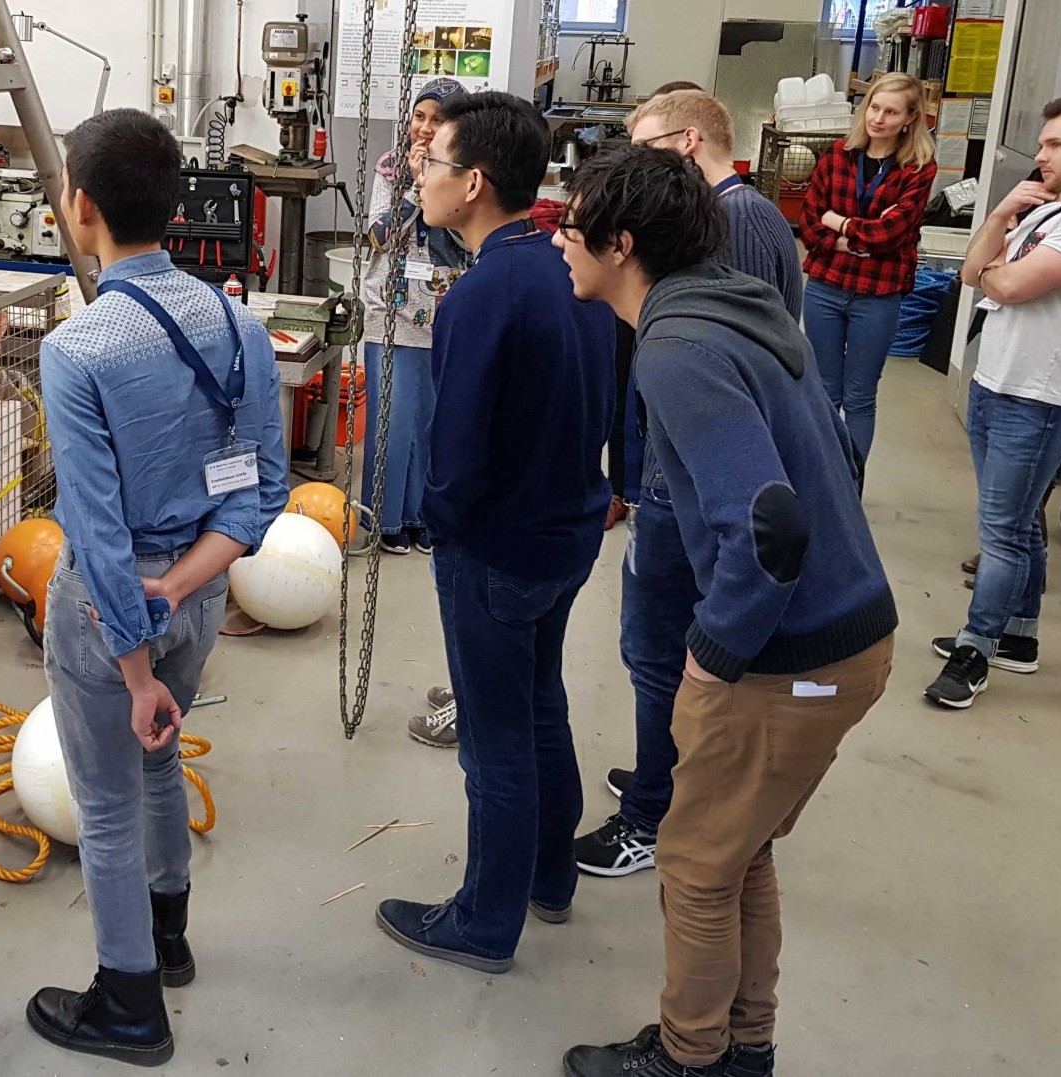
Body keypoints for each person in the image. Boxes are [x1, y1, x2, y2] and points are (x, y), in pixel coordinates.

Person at [552, 144, 897, 1077]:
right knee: (738, 856)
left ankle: (688, 1057)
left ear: (620, 245)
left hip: (789, 654)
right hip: (846, 630)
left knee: (695, 868)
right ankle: (742, 1047)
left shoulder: (679, 346)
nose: (559, 239)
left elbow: (770, 529)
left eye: (571, 224)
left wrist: (712, 655)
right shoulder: (732, 305)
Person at [25, 108, 288, 1067]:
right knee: (162, 763)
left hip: (114, 619)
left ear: (80, 205)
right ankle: (168, 936)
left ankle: (129, 1003)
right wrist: (180, 590)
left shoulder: (79, 348)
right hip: (200, 597)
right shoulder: (232, 318)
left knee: (103, 803)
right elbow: (264, 493)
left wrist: (133, 666)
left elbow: (95, 536)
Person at [373, 90, 616, 974]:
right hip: (568, 529)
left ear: (472, 182)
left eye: (430, 162)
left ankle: (484, 919)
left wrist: (438, 524)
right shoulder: (572, 262)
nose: (419, 176)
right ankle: (549, 875)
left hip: (498, 547)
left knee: (492, 737)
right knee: (540, 702)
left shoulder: (481, 293)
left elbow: (458, 447)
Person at [573, 88, 809, 880]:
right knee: (656, 654)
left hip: (691, 496)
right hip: (685, 481)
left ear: (682, 146)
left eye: (642, 151)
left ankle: (651, 812)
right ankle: (657, 775)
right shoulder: (752, 215)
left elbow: (716, 385)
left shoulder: (728, 228)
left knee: (659, 653)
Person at [925, 90, 1061, 709]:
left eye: (1054, 144)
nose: (1041, 156)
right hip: (998, 383)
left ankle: (977, 648)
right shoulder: (1054, 211)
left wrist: (998, 266)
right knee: (1019, 524)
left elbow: (1011, 283)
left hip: (1041, 398)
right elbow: (972, 273)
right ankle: (1019, 637)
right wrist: (998, 219)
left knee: (1003, 533)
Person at [799, 72, 938, 466]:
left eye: (891, 112)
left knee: (859, 396)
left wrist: (839, 223)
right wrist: (853, 235)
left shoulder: (918, 169)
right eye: (874, 107)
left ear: (910, 119)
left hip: (878, 295)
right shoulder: (837, 156)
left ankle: (851, 483)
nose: (878, 118)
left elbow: (890, 235)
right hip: (826, 288)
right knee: (825, 391)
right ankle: (823, 481)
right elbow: (809, 224)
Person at [359, 76, 469, 558]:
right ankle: (385, 518)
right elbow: (379, 237)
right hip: (391, 310)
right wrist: (414, 188)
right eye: (419, 117)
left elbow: (466, 239)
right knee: (392, 420)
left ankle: (422, 515)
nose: (425, 129)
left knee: (432, 422)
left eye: (438, 119)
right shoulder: (389, 170)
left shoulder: (468, 173)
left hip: (442, 313)